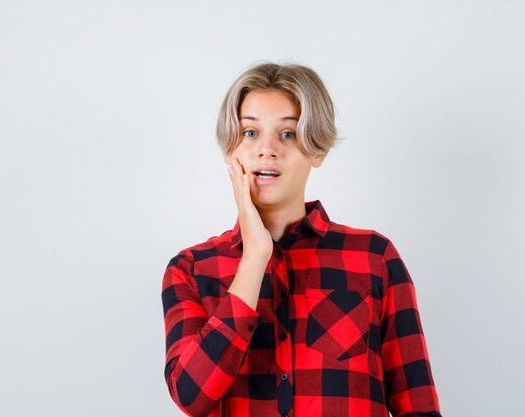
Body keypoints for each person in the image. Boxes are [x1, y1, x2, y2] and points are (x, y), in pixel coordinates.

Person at [161, 61, 442, 417]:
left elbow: (417, 406)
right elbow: (191, 396)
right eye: (250, 133)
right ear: (230, 151)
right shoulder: (190, 270)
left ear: (317, 150)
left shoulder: (375, 258)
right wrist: (254, 258)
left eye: (288, 134)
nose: (266, 149)